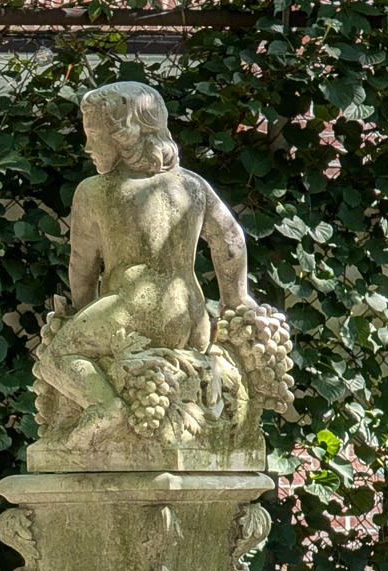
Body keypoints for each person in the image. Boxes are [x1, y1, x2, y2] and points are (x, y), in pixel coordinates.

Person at [34, 80, 251, 415]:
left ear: (126, 134)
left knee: (56, 358)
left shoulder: (95, 191)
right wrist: (235, 301)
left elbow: (82, 265)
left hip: (132, 313)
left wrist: (81, 314)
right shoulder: (193, 186)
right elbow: (231, 240)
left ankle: (106, 410)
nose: (87, 145)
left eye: (92, 132)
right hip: (192, 319)